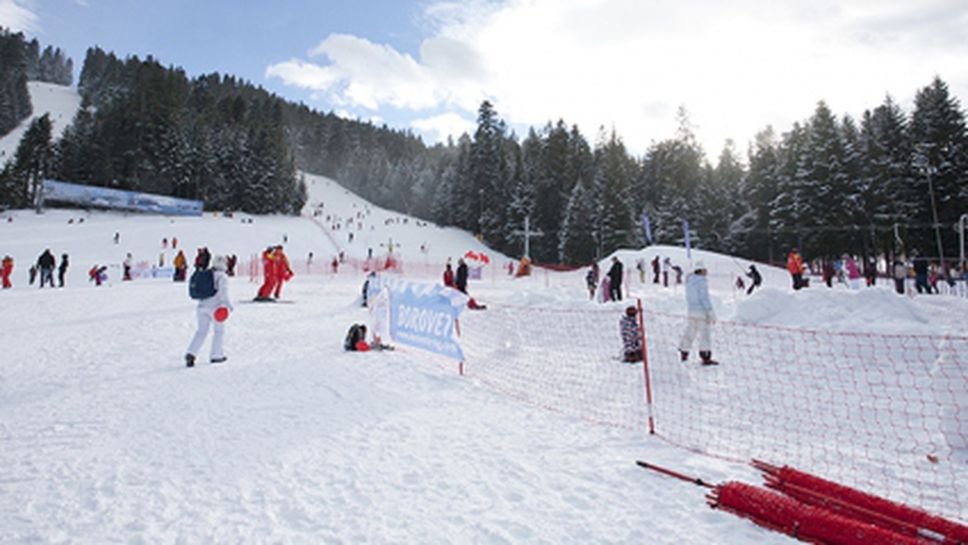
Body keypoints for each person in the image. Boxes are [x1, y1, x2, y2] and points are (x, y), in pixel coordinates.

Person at [185, 254, 233, 367]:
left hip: (202, 307)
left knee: (201, 332)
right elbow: (223, 293)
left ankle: (191, 353)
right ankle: (216, 355)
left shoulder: (208, 274)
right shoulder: (222, 277)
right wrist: (227, 306)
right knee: (218, 331)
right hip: (216, 308)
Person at [678, 261, 718, 365]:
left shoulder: (689, 282)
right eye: (705, 270)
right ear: (701, 271)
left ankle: (684, 350)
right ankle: (705, 355)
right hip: (701, 311)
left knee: (691, 331)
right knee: (705, 333)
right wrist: (710, 311)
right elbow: (704, 298)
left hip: (691, 310)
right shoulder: (702, 282)